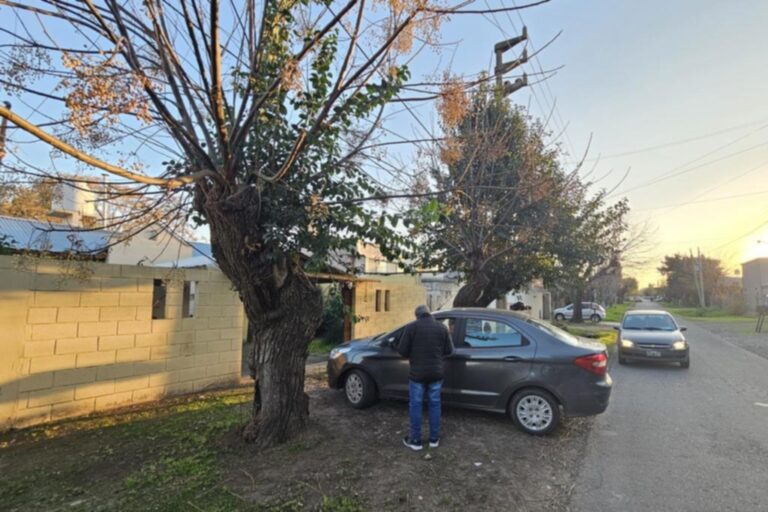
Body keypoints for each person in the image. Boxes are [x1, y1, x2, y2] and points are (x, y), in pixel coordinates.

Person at [397, 305, 454, 451]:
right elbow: (449, 351)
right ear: (429, 313)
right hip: (436, 374)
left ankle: (415, 441)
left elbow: (402, 351)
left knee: (416, 405)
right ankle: (434, 439)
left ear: (417, 316)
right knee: (435, 404)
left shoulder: (411, 328)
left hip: (417, 375)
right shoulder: (442, 328)